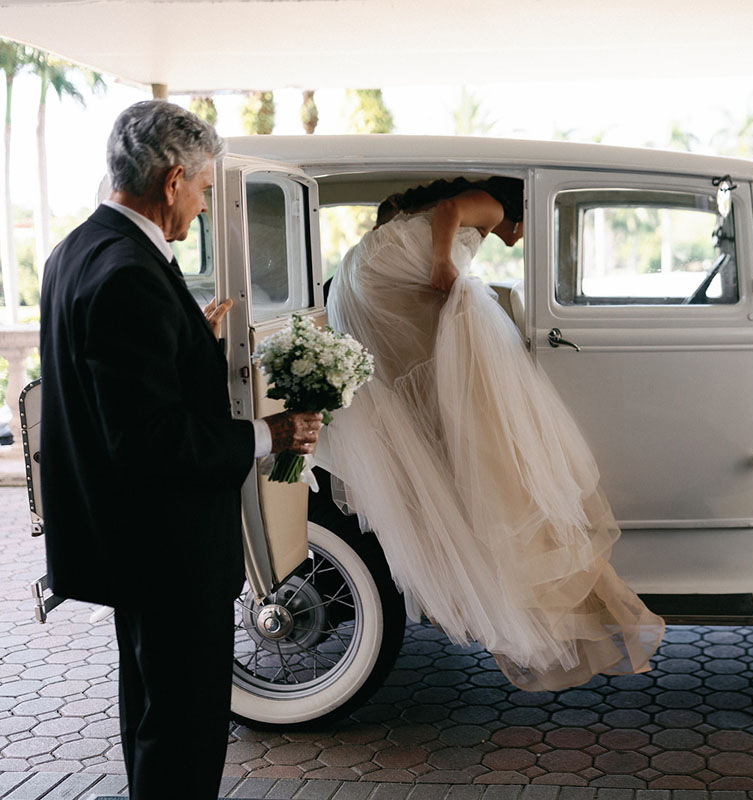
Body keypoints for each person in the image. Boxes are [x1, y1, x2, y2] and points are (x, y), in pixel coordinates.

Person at [39, 100, 323, 800]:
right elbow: (150, 441)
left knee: (152, 715)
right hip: (168, 552)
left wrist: (185, 332)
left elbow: (115, 376)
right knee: (185, 731)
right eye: (200, 188)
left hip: (125, 546)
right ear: (171, 182)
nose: (200, 204)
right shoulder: (131, 274)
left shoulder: (77, 251)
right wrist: (272, 435)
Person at [323, 176, 664, 691]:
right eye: (530, 228)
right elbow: (448, 209)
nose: (524, 237)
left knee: (442, 400)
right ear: (521, 211)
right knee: (472, 389)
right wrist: (442, 263)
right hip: (375, 291)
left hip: (361, 291)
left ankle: (467, 480)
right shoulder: (492, 204)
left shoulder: (446, 225)